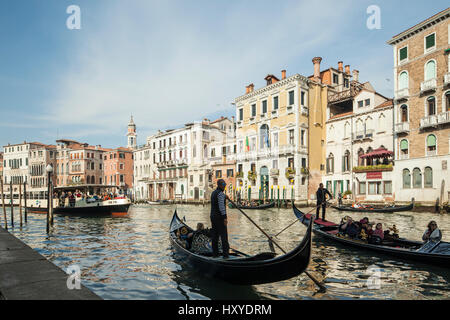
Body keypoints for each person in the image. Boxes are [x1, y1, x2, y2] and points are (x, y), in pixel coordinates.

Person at [210, 179, 230, 258]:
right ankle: (225, 255)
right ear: (220, 185)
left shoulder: (213, 193)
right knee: (224, 237)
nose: (224, 186)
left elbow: (218, 199)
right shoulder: (221, 194)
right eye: (223, 185)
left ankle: (215, 255)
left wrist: (225, 196)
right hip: (220, 218)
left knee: (215, 236)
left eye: (224, 185)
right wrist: (225, 218)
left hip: (213, 217)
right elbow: (221, 207)